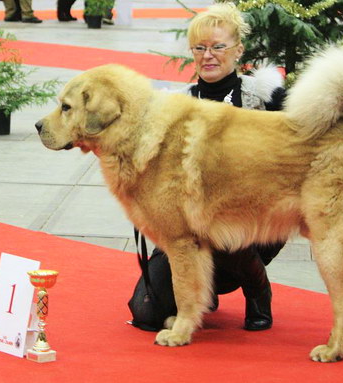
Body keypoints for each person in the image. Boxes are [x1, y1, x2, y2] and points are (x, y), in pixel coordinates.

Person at [128, 3, 286, 333]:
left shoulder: (264, 95)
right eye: (199, 48)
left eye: (218, 47)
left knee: (216, 221)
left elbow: (304, 141)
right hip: (186, 228)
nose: (208, 55)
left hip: (253, 224)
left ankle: (258, 291)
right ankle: (205, 292)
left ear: (238, 50)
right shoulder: (177, 103)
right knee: (145, 311)